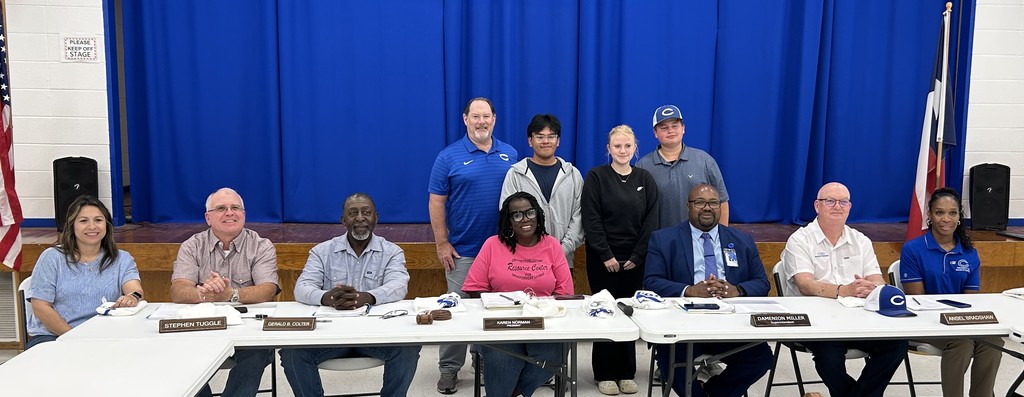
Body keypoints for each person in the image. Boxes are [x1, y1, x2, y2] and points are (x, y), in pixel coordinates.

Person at [280, 193, 420, 397]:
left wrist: (367, 297)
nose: (360, 218)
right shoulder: (322, 251)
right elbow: (302, 288)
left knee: (408, 350)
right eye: (353, 213)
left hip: (377, 335)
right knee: (292, 354)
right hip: (330, 336)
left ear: (376, 218)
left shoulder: (392, 252)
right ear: (343, 220)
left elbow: (399, 285)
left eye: (366, 212)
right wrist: (327, 298)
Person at [781, 182, 908, 397]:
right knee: (829, 357)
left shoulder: (861, 240)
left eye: (843, 202)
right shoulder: (800, 240)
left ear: (850, 207)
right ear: (817, 206)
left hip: (858, 320)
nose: (837, 206)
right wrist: (844, 290)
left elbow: (877, 279)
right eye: (830, 201)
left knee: (896, 345)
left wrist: (872, 286)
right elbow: (805, 284)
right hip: (817, 323)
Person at [644, 184, 771, 397]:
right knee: (670, 358)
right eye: (700, 202)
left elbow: (762, 283)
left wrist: (736, 290)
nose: (707, 208)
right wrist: (689, 290)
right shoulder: (664, 239)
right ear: (688, 206)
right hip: (683, 325)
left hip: (732, 325)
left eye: (713, 203)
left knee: (761, 358)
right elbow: (651, 282)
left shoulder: (742, 241)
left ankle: (713, 392)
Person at [428, 97, 518, 393]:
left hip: (504, 251)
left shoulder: (510, 153)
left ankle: (484, 364)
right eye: (475, 116)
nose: (481, 122)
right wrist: (442, 243)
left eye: (486, 116)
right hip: (463, 250)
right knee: (457, 312)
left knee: (493, 313)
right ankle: (449, 369)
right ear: (465, 119)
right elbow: (436, 201)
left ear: (494, 119)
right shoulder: (448, 157)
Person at [169, 187, 279, 397]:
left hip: (247, 330)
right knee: (177, 351)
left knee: (258, 353)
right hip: (202, 329)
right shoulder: (192, 246)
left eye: (235, 207)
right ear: (208, 218)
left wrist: (230, 294)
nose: (230, 212)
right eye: (221, 208)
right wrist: (204, 295)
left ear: (244, 215)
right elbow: (179, 289)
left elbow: (268, 289)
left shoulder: (261, 246)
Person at [462, 192, 573, 397]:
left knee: (552, 356)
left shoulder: (552, 245)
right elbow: (474, 288)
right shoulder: (492, 245)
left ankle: (514, 392)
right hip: (502, 323)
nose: (525, 219)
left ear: (538, 214)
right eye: (517, 215)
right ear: (508, 220)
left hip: (544, 323)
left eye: (529, 212)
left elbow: (564, 292)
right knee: (501, 360)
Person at [900, 187, 1003, 397]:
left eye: (952, 213)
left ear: (959, 216)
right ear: (929, 215)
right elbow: (917, 300)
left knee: (993, 340)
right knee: (962, 344)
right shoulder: (913, 249)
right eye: (939, 212)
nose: (946, 219)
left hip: (961, 321)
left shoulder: (969, 253)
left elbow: (971, 300)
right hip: (925, 323)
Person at [581, 124, 659, 395]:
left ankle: (626, 373)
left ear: (635, 148)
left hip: (635, 260)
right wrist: (606, 255)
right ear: (608, 149)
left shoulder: (645, 178)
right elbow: (591, 219)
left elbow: (651, 220)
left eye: (627, 146)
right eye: (617, 146)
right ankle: (603, 373)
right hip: (603, 259)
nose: (622, 151)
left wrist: (638, 255)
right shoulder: (596, 177)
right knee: (605, 312)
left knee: (628, 314)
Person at [26, 195, 144, 349]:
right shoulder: (52, 257)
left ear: (107, 225)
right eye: (83, 221)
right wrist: (76, 339)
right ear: (71, 226)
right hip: (55, 336)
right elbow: (40, 306)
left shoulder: (122, 258)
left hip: (104, 336)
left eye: (98, 220)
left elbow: (135, 290)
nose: (92, 226)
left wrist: (131, 298)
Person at [500, 113, 584, 271]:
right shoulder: (515, 175)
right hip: (523, 263)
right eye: (539, 136)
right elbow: (507, 216)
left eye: (551, 136)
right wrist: (531, 251)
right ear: (530, 141)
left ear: (558, 141)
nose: (546, 141)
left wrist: (560, 250)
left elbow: (578, 218)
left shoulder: (573, 175)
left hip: (563, 261)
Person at [636, 104, 729, 229]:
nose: (670, 131)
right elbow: (637, 208)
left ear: (683, 128)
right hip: (660, 241)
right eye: (664, 127)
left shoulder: (705, 160)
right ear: (655, 133)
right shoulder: (643, 165)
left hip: (699, 240)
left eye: (675, 126)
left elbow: (722, 201)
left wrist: (723, 235)